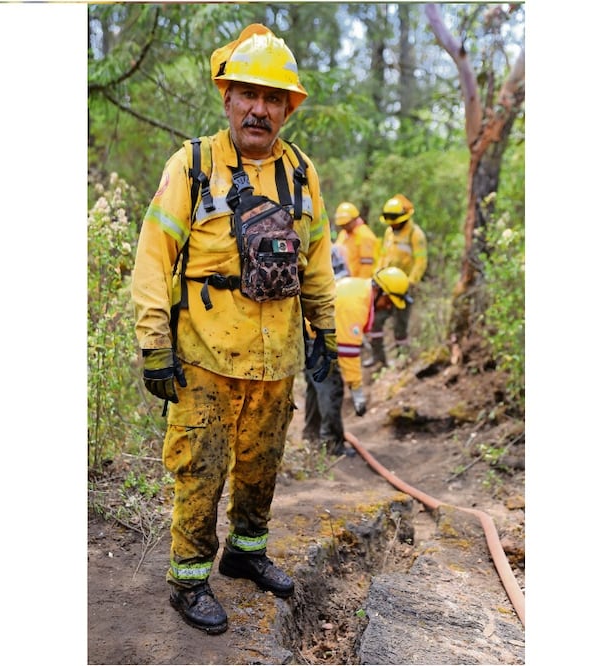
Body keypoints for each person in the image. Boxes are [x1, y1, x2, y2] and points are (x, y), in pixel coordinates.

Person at [130, 24, 337, 636]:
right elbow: (151, 256)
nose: (259, 108)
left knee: (262, 463)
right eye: (248, 94)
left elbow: (317, 259)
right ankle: (188, 578)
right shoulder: (193, 165)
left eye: (273, 99)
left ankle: (246, 551)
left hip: (276, 362)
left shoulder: (302, 174)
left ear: (288, 109)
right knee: (201, 466)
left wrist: (323, 333)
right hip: (204, 357)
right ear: (227, 98)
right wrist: (154, 344)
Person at [302, 267, 412, 455]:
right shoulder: (357, 305)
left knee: (317, 386)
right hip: (317, 339)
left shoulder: (360, 288)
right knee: (332, 388)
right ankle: (331, 444)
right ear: (380, 291)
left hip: (310, 333)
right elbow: (348, 355)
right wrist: (357, 390)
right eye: (389, 302)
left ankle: (312, 435)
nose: (387, 307)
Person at [364, 194, 427, 368]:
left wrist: (410, 282)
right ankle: (379, 359)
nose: (392, 224)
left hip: (403, 288)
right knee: (376, 320)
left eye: (395, 221)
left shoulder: (416, 234)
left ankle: (402, 359)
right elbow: (384, 256)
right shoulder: (389, 232)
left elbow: (421, 262)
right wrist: (377, 274)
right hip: (385, 285)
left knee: (400, 326)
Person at [333, 201, 378, 279]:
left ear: (355, 219)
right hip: (344, 281)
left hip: (359, 283)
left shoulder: (365, 235)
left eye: (347, 224)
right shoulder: (343, 234)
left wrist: (360, 285)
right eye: (342, 225)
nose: (344, 227)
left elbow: (367, 266)